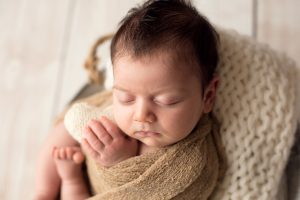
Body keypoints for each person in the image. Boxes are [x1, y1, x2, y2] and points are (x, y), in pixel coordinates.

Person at [34, 0, 224, 199]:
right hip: (80, 159)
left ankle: (70, 180)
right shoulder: (112, 109)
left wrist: (120, 163)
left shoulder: (191, 164)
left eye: (166, 101)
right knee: (64, 129)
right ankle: (44, 192)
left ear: (208, 96)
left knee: (73, 185)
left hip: (97, 191)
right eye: (126, 98)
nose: (141, 115)